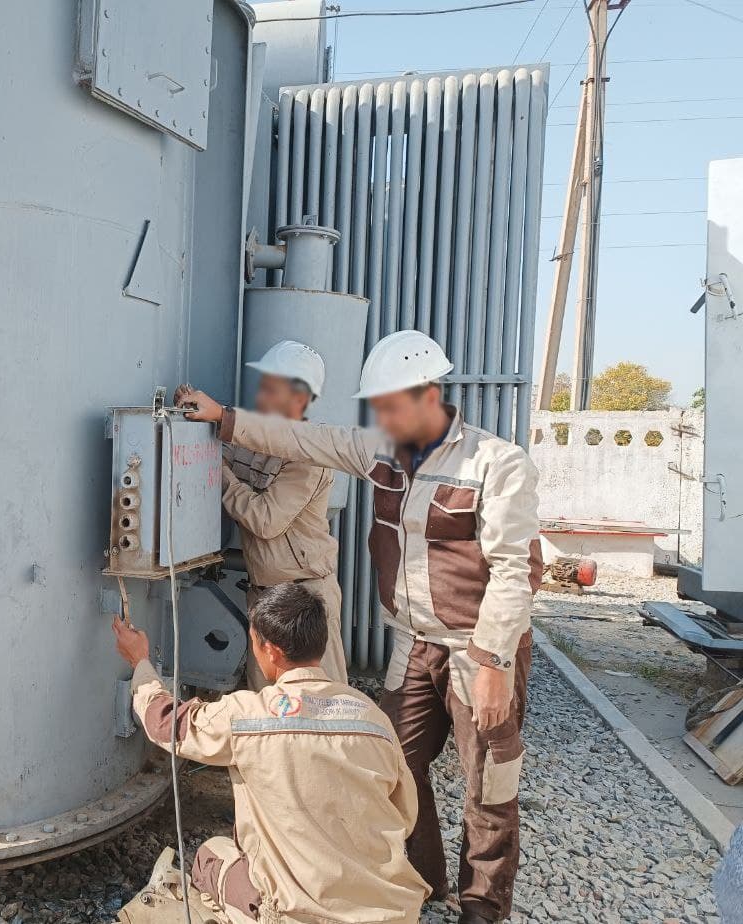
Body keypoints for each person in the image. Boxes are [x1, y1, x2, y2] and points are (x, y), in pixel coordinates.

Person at [177, 330, 543, 924]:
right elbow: (304, 437)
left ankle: (484, 908)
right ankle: (423, 880)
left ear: (428, 394)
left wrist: (496, 664)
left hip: (478, 647)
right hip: (413, 641)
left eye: (390, 406)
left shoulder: (495, 463)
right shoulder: (380, 449)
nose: (382, 418)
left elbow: (513, 570)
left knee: (489, 786)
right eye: (376, 408)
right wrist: (225, 418)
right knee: (395, 760)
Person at [113, 584, 428, 924]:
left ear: (272, 651)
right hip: (392, 913)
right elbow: (405, 815)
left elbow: (166, 723)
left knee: (209, 857)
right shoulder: (371, 716)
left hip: (302, 915)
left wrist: (141, 662)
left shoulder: (249, 716)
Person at [212, 339, 346, 687]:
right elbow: (225, 448)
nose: (261, 396)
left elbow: (265, 520)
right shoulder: (262, 441)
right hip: (265, 597)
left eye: (271, 388)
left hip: (305, 600)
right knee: (271, 708)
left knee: (320, 707)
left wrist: (218, 472)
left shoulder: (309, 453)